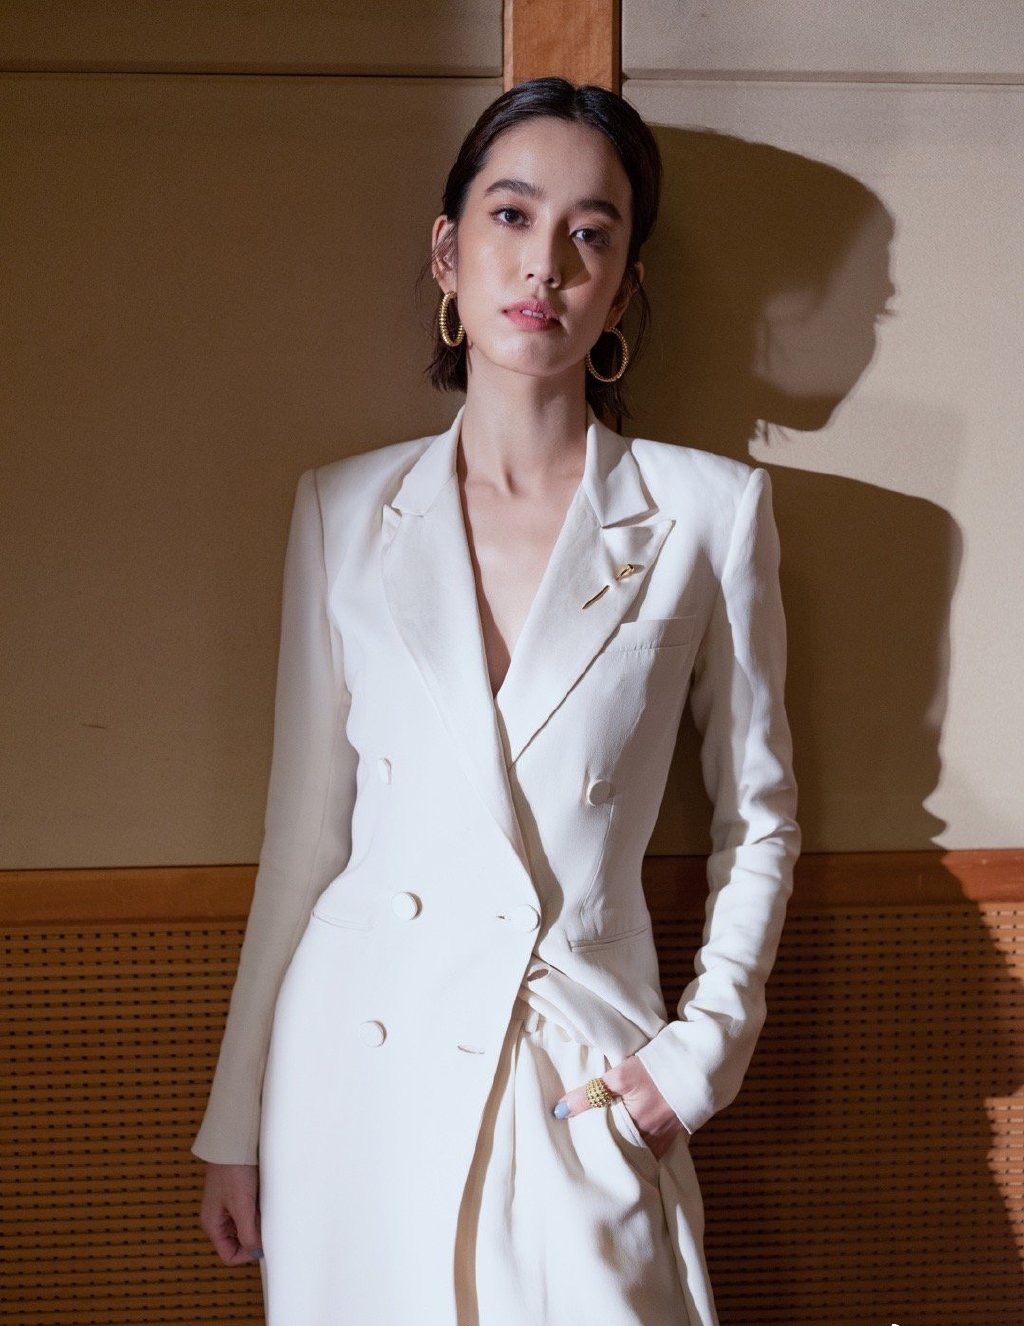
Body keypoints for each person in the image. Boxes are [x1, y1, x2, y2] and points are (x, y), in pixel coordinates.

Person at [194, 77, 800, 1326]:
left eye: (591, 233)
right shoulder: (342, 509)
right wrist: (235, 1121)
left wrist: (699, 1055)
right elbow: (304, 836)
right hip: (354, 1075)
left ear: (621, 289)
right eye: (511, 215)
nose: (545, 264)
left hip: (575, 1063)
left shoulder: (707, 512)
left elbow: (759, 817)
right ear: (447, 252)